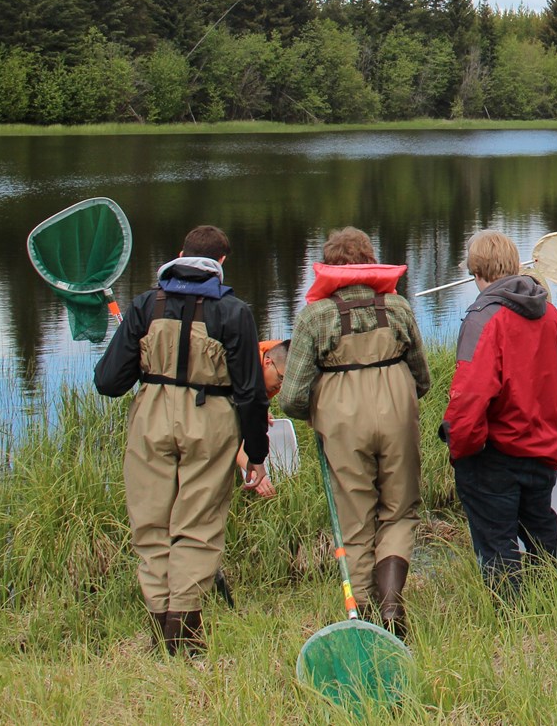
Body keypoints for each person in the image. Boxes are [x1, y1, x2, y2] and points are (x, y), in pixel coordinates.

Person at [93, 225, 268, 657]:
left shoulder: (144, 304)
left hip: (151, 416)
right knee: (198, 526)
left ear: (179, 255)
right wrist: (257, 455)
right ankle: (184, 639)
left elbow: (108, 382)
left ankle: (160, 634)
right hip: (210, 420)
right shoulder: (234, 311)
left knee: (151, 525)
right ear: (221, 265)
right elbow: (250, 392)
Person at [279, 227, 431, 638]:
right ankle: (392, 604)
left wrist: (317, 413)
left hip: (342, 418)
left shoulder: (315, 316)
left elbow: (291, 395)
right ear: (369, 260)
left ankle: (365, 618)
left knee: (355, 516)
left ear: (329, 266)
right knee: (399, 510)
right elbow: (422, 375)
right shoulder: (397, 306)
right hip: (397, 406)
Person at [440, 230, 557, 596]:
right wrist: (551, 435)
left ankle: (512, 622)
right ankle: (554, 605)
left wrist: (461, 450)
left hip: (495, 456)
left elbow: (468, 396)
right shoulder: (551, 314)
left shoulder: (483, 317)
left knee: (497, 543)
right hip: (542, 449)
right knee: (541, 530)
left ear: (476, 273)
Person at [235, 338, 289, 498]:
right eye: (280, 378)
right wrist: (255, 472)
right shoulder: (242, 374)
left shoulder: (266, 376)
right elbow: (226, 435)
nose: (281, 386)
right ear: (267, 362)